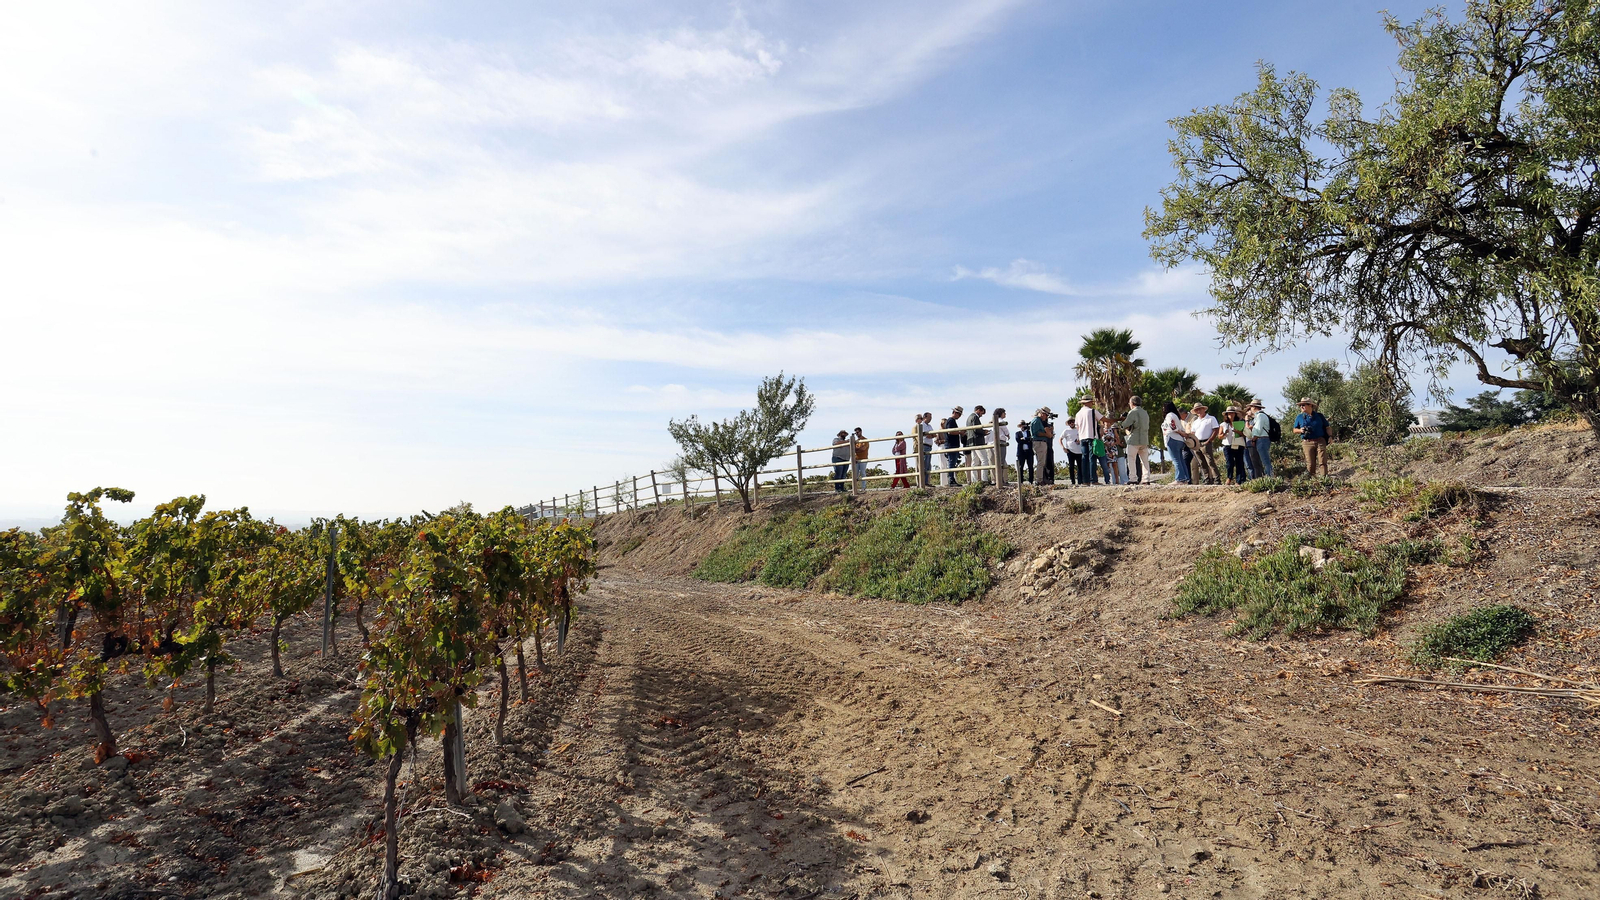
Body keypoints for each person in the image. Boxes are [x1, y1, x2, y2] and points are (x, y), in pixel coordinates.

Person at [1294, 397, 1331, 477]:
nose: (1301, 407)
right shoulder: (1299, 417)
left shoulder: (1319, 416)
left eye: (1303, 405)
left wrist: (1330, 436)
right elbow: (1294, 430)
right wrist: (1300, 430)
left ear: (1310, 405)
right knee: (1310, 463)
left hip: (1320, 440)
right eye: (1300, 405)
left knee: (1322, 461)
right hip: (1307, 442)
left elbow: (1327, 427)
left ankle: (1324, 478)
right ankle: (1312, 480)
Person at [1188, 403, 1221, 484]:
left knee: (1210, 462)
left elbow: (1216, 430)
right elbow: (1193, 432)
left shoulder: (1210, 418)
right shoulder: (1196, 422)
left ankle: (1216, 478)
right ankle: (1207, 479)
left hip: (1206, 441)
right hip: (1197, 443)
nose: (1198, 411)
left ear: (1204, 409)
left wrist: (1209, 440)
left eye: (1200, 409)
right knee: (1202, 463)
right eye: (1197, 410)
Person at [1073, 397, 1102, 486]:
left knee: (1084, 459)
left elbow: (1077, 426)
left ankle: (1085, 481)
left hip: (1082, 438)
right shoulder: (1092, 411)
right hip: (1092, 437)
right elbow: (1103, 419)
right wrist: (1117, 420)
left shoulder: (1078, 414)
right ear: (1089, 402)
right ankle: (1093, 479)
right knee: (1092, 459)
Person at [1122, 396, 1151, 484]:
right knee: (1145, 460)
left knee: (1131, 459)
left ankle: (1133, 478)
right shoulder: (1145, 413)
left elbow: (1125, 425)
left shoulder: (1132, 412)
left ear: (1132, 403)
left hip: (1134, 439)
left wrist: (1122, 421)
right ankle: (1146, 479)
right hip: (1144, 439)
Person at [1161, 400, 1190, 484]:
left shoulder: (1169, 415)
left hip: (1172, 438)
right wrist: (1182, 433)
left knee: (1176, 460)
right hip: (1179, 440)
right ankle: (1185, 478)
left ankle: (1180, 478)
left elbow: (1172, 426)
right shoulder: (1176, 416)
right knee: (1180, 460)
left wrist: (1179, 432)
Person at [1220, 408, 1248, 484]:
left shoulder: (1240, 423)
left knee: (1239, 462)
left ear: (1235, 414)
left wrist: (1238, 432)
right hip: (1227, 445)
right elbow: (1219, 436)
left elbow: (1245, 434)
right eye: (1229, 413)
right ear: (1226, 415)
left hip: (1238, 444)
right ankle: (1229, 477)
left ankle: (1238, 481)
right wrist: (1225, 433)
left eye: (1232, 413)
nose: (1231, 415)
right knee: (1229, 463)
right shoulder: (1223, 424)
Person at [1246, 399, 1273, 479]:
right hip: (1261, 439)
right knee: (1263, 460)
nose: (1250, 409)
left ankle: (1270, 477)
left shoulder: (1260, 416)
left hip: (1262, 439)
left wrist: (1254, 439)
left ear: (1254, 407)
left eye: (1251, 407)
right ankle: (1268, 477)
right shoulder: (1258, 416)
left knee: (1265, 461)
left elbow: (1258, 429)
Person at [966, 405, 992, 484]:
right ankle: (984, 479)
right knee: (984, 460)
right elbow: (976, 429)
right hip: (977, 442)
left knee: (975, 462)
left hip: (972, 442)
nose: (981, 415)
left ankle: (974, 480)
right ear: (978, 410)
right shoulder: (975, 417)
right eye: (981, 413)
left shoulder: (969, 418)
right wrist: (984, 432)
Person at [942, 407, 965, 486]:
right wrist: (960, 432)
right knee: (951, 462)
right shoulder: (951, 421)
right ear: (955, 413)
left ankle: (951, 479)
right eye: (959, 414)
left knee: (952, 462)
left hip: (952, 444)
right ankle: (951, 480)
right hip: (951, 444)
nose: (959, 416)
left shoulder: (951, 421)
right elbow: (950, 432)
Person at [1030, 408, 1053, 485]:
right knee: (1041, 462)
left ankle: (1040, 478)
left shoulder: (1038, 421)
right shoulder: (1036, 421)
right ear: (1042, 413)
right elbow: (1037, 433)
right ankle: (1039, 480)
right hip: (1039, 442)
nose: (1046, 417)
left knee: (1041, 461)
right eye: (1046, 415)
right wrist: (1047, 434)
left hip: (1040, 442)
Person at [1058, 417, 1082, 485]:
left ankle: (1080, 481)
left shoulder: (1079, 429)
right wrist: (1063, 447)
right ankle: (1073, 481)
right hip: (1070, 450)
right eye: (1070, 422)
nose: (1071, 423)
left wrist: (1079, 440)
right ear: (1068, 424)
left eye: (1072, 421)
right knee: (1071, 466)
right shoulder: (1066, 431)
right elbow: (1060, 439)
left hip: (1079, 451)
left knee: (1080, 466)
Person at [1014, 417, 1033, 483]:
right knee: (1020, 466)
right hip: (1021, 452)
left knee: (1030, 466)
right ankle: (1020, 481)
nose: (1022, 426)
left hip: (1029, 452)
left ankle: (1031, 481)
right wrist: (1026, 440)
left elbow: (1031, 439)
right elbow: (1018, 440)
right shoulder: (1017, 433)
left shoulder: (1029, 432)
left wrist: (1024, 439)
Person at [918, 412, 936, 485]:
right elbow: (926, 435)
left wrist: (931, 435)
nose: (930, 419)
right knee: (925, 464)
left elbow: (934, 434)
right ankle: (924, 482)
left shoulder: (929, 426)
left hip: (929, 446)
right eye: (929, 417)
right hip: (925, 445)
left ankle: (926, 481)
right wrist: (931, 435)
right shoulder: (922, 425)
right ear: (925, 417)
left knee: (928, 464)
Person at [993, 408, 1009, 483]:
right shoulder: (1001, 421)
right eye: (1004, 413)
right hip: (1001, 440)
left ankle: (997, 478)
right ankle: (1001, 479)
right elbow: (1006, 430)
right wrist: (1008, 435)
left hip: (993, 441)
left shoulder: (992, 421)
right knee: (1002, 459)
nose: (1005, 414)